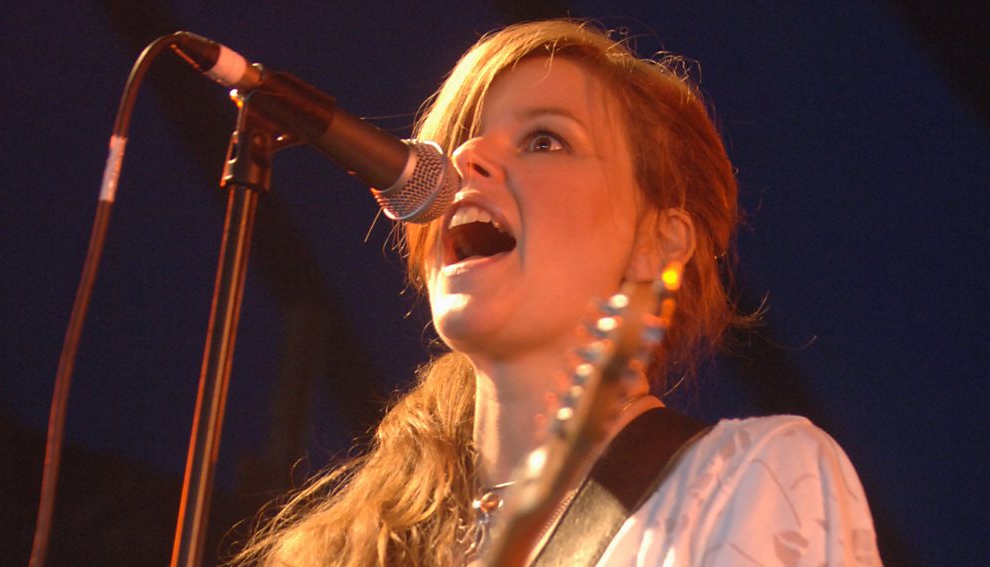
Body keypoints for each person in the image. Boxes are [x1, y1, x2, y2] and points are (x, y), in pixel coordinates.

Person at [232, 19, 881, 566]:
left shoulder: (751, 481)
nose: (467, 157)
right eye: (461, 140)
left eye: (545, 140)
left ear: (657, 241)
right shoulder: (355, 546)